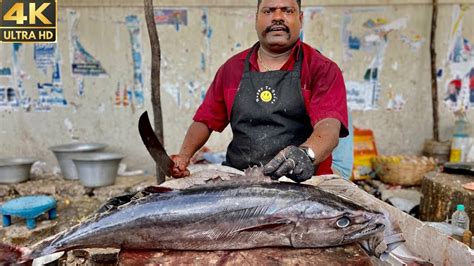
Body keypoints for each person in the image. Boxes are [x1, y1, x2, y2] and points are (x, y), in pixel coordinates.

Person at [170, 0, 348, 183]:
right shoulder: (232, 69)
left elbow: (329, 127)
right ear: (256, 19)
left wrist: (306, 154)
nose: (278, 17)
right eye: (268, 11)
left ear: (300, 18)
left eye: (287, 11)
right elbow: (205, 121)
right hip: (241, 182)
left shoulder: (322, 69)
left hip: (304, 185)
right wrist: (184, 157)